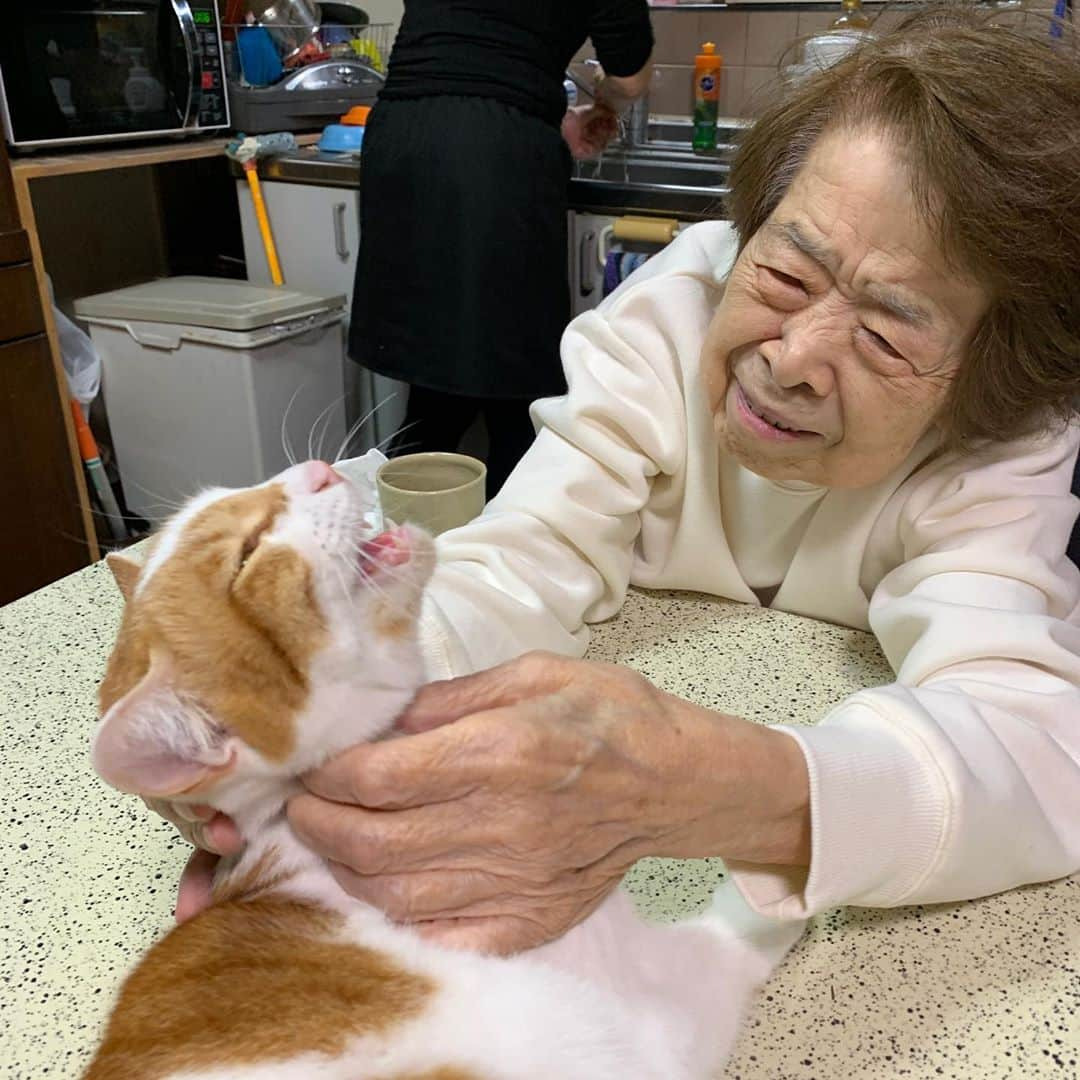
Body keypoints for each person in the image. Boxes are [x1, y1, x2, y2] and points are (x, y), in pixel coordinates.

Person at [175, 6, 1080, 957]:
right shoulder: (672, 319)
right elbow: (523, 560)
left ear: (990, 374)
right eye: (783, 273)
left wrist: (710, 787)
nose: (794, 357)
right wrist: (324, 690)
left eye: (888, 335)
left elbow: (1035, 746)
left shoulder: (1003, 424)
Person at [350, 0, 654, 497]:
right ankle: (506, 558)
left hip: (404, 137)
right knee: (519, 390)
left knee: (437, 384)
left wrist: (535, 100)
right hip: (494, 153)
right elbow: (630, 77)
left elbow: (472, 50)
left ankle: (401, 551)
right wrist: (599, 102)